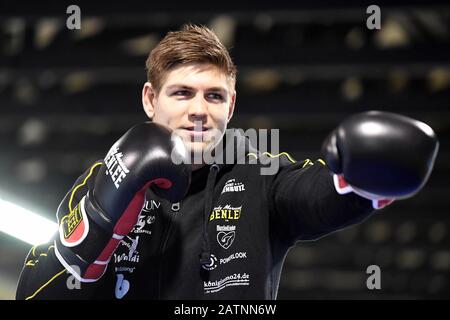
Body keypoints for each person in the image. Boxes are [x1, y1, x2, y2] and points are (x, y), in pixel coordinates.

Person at [16, 24, 439, 300]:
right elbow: (33, 292)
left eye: (214, 96)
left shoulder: (259, 174)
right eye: (182, 93)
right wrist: (95, 225)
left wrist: (360, 179)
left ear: (231, 105)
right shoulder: (103, 175)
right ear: (150, 99)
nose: (199, 109)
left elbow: (316, 195)